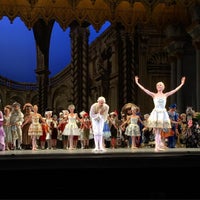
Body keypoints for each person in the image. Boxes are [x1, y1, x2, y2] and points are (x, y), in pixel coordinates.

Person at [135, 76, 186, 152]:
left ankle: (159, 145)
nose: (159, 86)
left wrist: (182, 83)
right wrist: (137, 82)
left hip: (162, 113)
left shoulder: (165, 95)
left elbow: (175, 90)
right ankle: (157, 146)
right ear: (156, 87)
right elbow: (144, 89)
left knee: (160, 130)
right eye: (158, 85)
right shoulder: (154, 95)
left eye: (161, 85)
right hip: (156, 113)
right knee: (157, 130)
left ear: (163, 87)